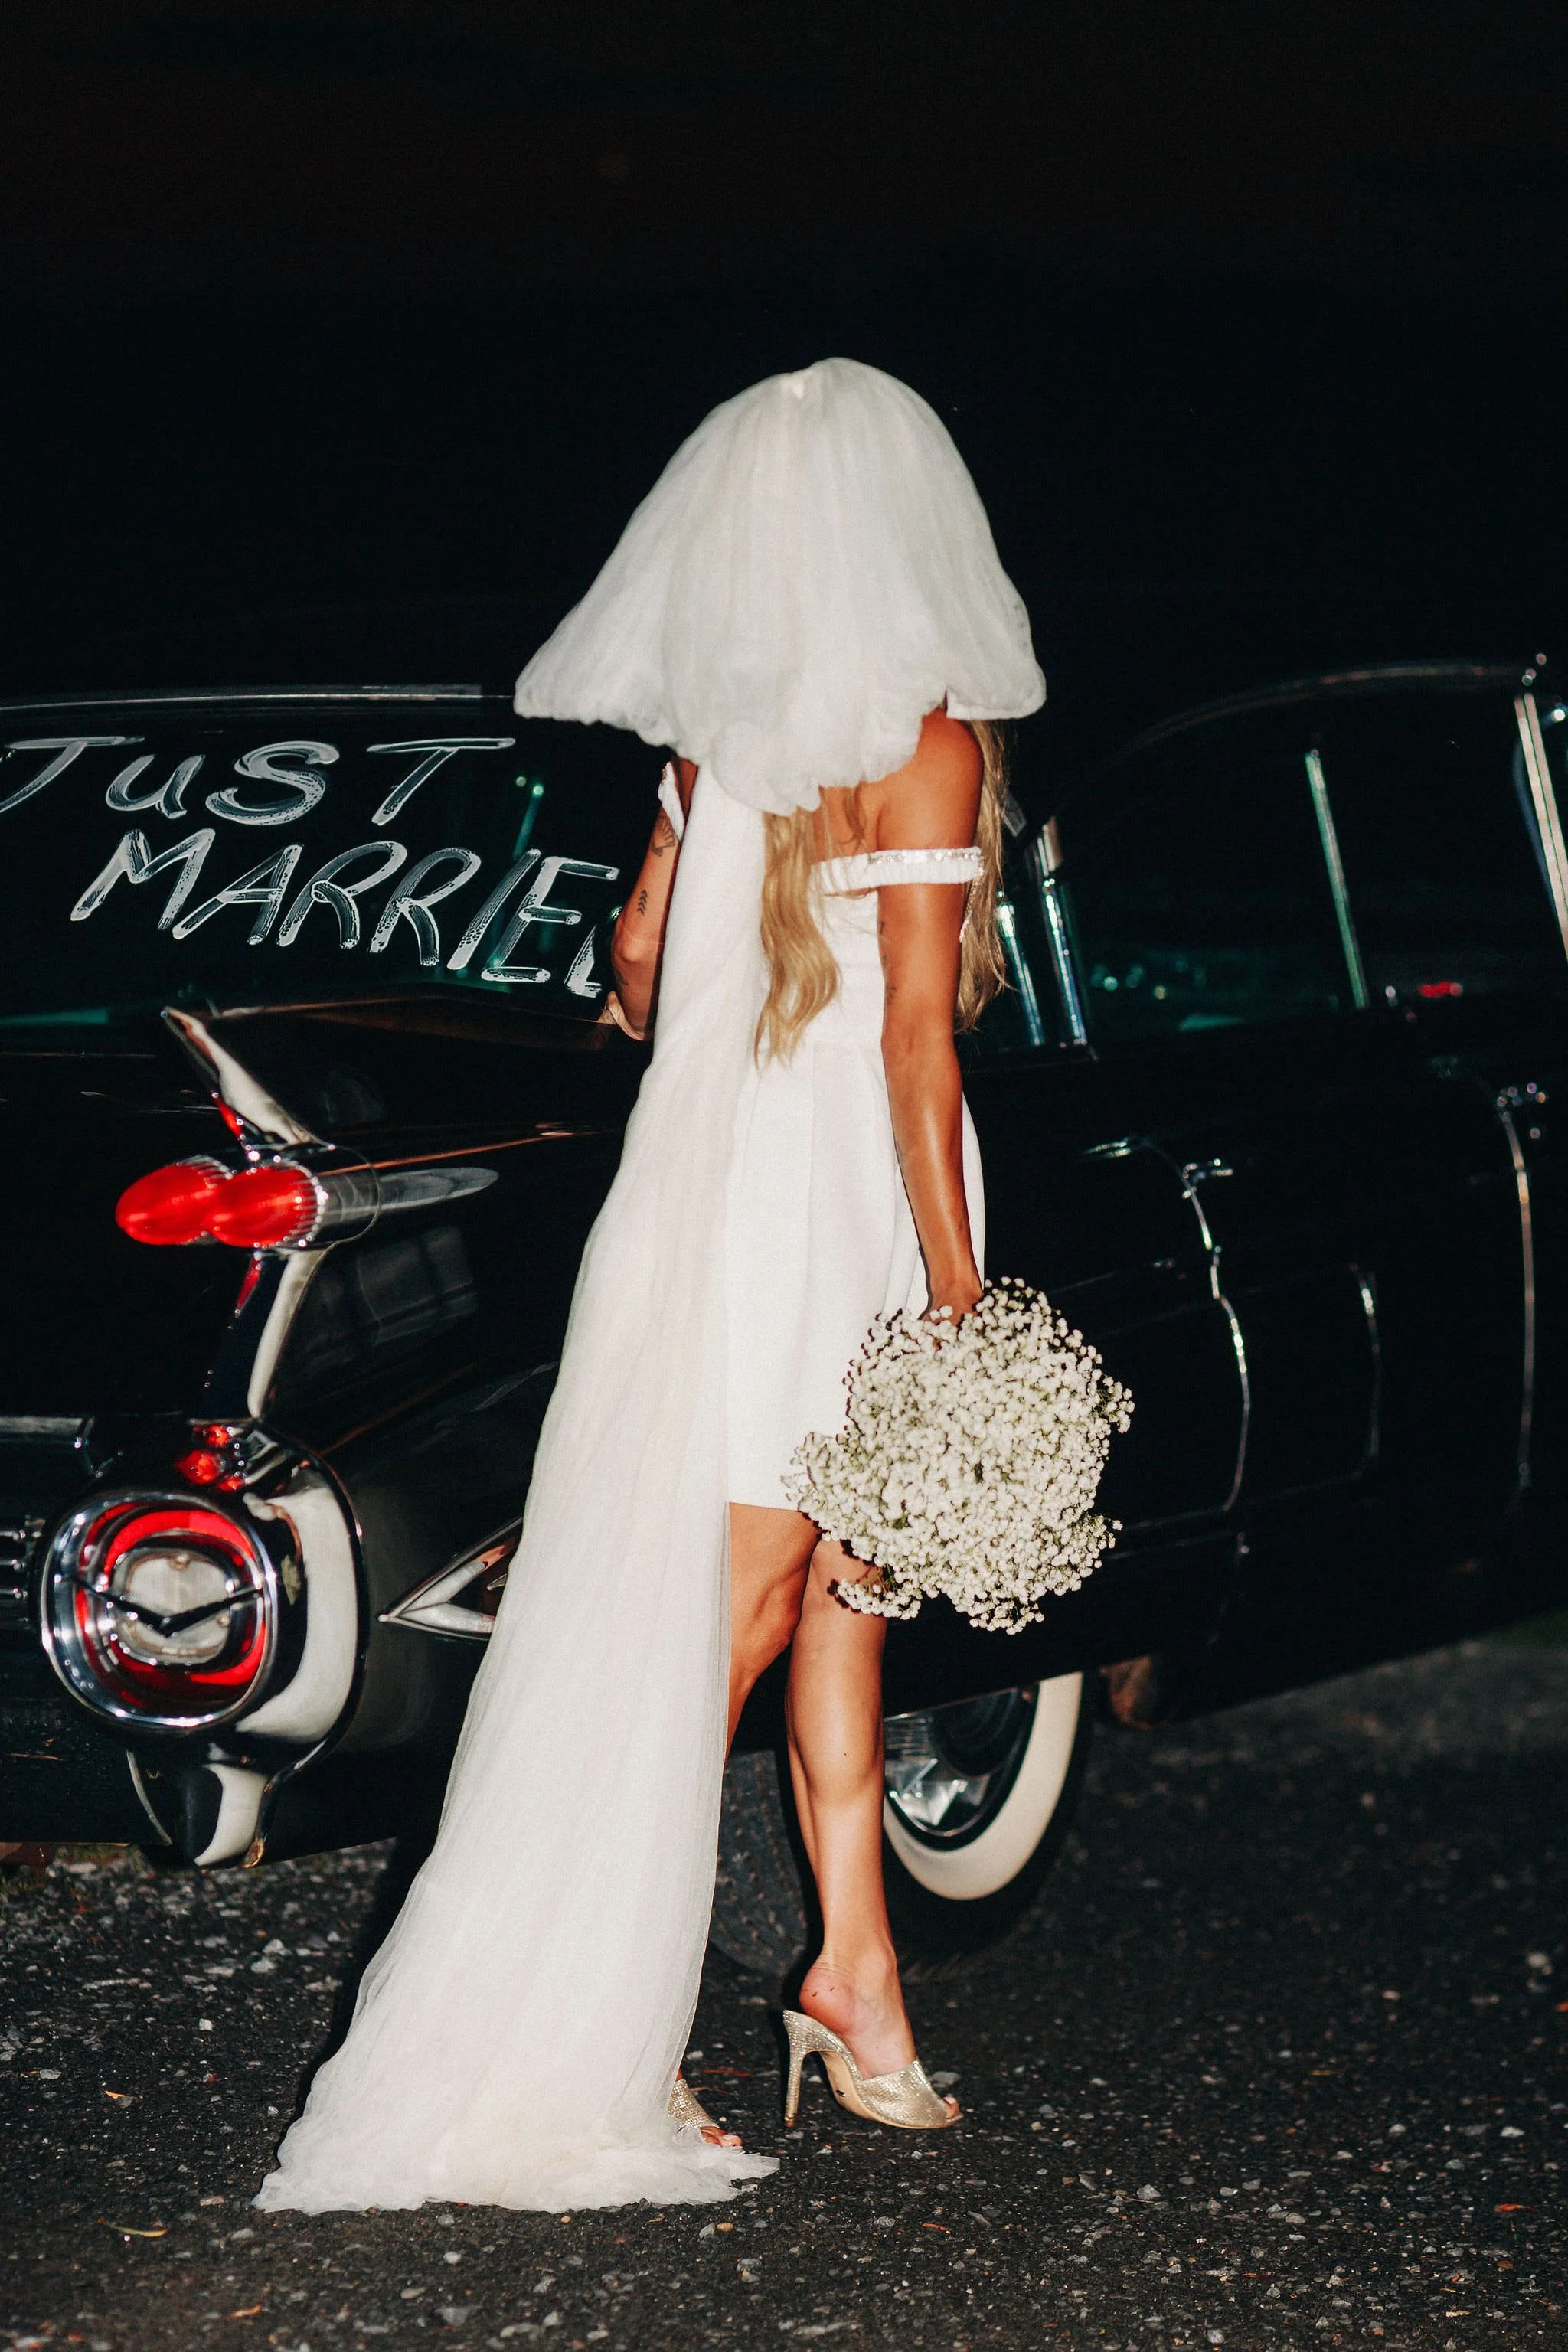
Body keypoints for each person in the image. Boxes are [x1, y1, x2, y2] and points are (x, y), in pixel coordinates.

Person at [256, 357, 1044, 2215]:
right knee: (738, 1625)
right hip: (836, 1205)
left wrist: (688, 882)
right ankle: (573, 2024)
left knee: (848, 1596)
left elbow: (625, 984)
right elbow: (916, 1048)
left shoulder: (712, 757)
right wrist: (956, 1293)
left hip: (707, 1199)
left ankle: (855, 1975)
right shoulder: (919, 745)